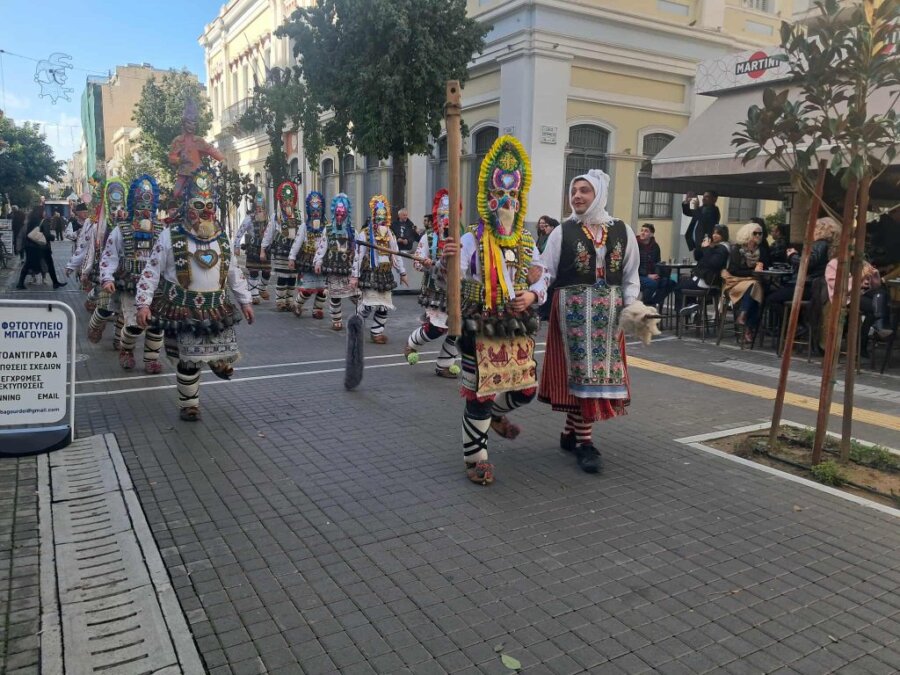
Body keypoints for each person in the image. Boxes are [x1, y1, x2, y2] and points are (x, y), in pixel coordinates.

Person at [439, 136, 546, 485]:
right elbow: (449, 279)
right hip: (479, 325)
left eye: (512, 198)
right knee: (481, 392)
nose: (506, 203)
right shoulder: (470, 239)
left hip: (516, 326)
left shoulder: (528, 242)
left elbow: (541, 277)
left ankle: (497, 417)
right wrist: (447, 259)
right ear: (487, 199)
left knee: (525, 389)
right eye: (500, 197)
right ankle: (477, 456)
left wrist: (531, 295)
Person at [539, 169, 640, 474]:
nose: (577, 196)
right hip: (572, 314)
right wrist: (532, 294)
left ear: (598, 195)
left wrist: (632, 307)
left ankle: (572, 433)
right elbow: (546, 272)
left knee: (597, 375)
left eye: (585, 191)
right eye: (574, 191)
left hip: (609, 316)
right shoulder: (562, 231)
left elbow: (630, 275)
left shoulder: (622, 230)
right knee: (582, 373)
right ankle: (585, 442)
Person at [135, 167, 253, 421]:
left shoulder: (221, 239)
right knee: (187, 359)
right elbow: (151, 271)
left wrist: (245, 301)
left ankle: (216, 361)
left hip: (215, 307)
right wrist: (144, 304)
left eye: (210, 204)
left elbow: (233, 271)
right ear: (187, 205)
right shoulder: (170, 236)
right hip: (182, 307)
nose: (206, 211)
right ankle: (190, 404)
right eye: (199, 204)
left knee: (216, 348)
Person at [99, 175, 166, 373]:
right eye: (140, 204)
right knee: (135, 323)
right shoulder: (122, 229)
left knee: (156, 324)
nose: (144, 210)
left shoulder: (162, 229)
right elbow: (109, 255)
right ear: (132, 204)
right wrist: (107, 277)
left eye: (149, 204)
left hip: (156, 286)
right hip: (130, 285)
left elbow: (169, 257)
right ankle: (126, 349)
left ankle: (151, 359)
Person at [404, 188, 460, 378]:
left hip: (458, 291)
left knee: (457, 328)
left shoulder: (463, 237)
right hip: (435, 290)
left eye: (450, 215)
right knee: (437, 328)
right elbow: (416, 262)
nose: (446, 220)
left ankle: (444, 364)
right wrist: (425, 262)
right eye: (442, 215)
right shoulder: (428, 237)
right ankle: (412, 343)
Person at [350, 195, 407, 343]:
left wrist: (402, 272)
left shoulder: (390, 234)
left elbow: (396, 253)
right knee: (369, 304)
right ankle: (356, 327)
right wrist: (354, 276)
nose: (381, 219)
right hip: (371, 273)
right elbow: (358, 255)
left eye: (383, 216)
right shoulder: (365, 233)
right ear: (374, 216)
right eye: (378, 216)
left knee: (384, 305)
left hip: (386, 274)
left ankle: (377, 333)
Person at [83, 178, 129, 351]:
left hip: (126, 275)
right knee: (104, 307)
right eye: (114, 207)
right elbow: (90, 250)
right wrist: (85, 270)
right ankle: (95, 325)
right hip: (105, 273)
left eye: (122, 208)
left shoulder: (129, 227)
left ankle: (119, 340)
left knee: (123, 311)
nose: (119, 212)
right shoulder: (98, 227)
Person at [766, 216, 840, 322]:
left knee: (771, 299)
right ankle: (796, 326)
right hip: (813, 286)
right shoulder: (828, 245)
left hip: (808, 286)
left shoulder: (820, 244)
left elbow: (809, 263)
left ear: (820, 230)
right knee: (777, 295)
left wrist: (792, 256)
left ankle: (794, 327)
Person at [824, 257, 892, 358]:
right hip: (845, 297)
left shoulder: (861, 261)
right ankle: (871, 334)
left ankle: (877, 325)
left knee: (882, 294)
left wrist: (873, 274)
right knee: (874, 308)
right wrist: (860, 276)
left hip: (862, 293)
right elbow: (839, 287)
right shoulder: (834, 264)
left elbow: (875, 285)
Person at [313, 193, 357, 331]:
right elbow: (322, 246)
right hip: (333, 268)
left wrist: (357, 268)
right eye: (337, 213)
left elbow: (357, 251)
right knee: (335, 295)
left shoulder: (352, 231)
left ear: (346, 214)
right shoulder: (328, 229)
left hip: (348, 268)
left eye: (342, 214)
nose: (339, 216)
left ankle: (358, 317)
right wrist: (318, 261)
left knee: (356, 295)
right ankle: (336, 320)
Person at [167, 99, 225, 198]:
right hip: (183, 173)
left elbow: (211, 149)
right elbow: (171, 157)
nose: (192, 126)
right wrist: (179, 160)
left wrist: (222, 159)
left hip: (198, 174)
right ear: (184, 123)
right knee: (176, 193)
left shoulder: (199, 140)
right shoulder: (178, 141)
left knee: (207, 194)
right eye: (189, 123)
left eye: (194, 123)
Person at [722, 222, 766, 345]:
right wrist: (753, 271)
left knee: (755, 292)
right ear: (747, 234)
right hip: (736, 282)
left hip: (754, 282)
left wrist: (762, 266)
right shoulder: (737, 249)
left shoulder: (761, 250)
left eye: (760, 233)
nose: (758, 235)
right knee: (755, 289)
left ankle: (744, 318)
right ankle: (747, 327)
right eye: (755, 233)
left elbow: (768, 265)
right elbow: (733, 270)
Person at [260, 181, 301, 312]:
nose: (287, 203)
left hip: (294, 252)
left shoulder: (299, 215)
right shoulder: (276, 216)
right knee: (283, 276)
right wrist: (262, 249)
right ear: (280, 201)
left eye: (289, 200)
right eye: (284, 200)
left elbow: (302, 232)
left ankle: (289, 301)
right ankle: (280, 301)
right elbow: (268, 233)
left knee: (292, 278)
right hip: (281, 251)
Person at [674, 224, 730, 312]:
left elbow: (713, 263)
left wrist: (707, 248)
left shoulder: (722, 248)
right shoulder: (715, 247)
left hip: (709, 282)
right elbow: (698, 257)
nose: (715, 235)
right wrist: (701, 247)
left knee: (678, 287)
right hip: (704, 279)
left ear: (724, 235)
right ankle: (692, 307)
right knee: (683, 282)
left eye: (718, 233)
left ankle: (685, 312)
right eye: (714, 233)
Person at [289, 191, 328, 319]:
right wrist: (292, 257)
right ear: (309, 210)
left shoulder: (327, 226)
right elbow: (297, 242)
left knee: (323, 288)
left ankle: (317, 309)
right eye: (313, 209)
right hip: (307, 260)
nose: (316, 212)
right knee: (307, 288)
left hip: (323, 260)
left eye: (318, 209)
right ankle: (297, 304)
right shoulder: (304, 227)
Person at [231, 188, 271, 304]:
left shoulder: (269, 218)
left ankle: (262, 289)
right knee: (253, 272)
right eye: (257, 207)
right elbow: (240, 232)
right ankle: (254, 295)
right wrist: (236, 246)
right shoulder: (249, 219)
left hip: (266, 249)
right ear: (254, 207)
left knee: (267, 272)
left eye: (261, 207)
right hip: (253, 249)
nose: (259, 209)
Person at [16, 207, 62, 289]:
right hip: (42, 247)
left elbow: (27, 234)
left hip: (30, 246)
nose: (45, 213)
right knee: (50, 264)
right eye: (44, 211)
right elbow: (47, 235)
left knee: (27, 264)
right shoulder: (44, 221)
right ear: (41, 212)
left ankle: (20, 283)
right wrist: (53, 237)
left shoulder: (30, 222)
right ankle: (55, 282)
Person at [636, 223, 673, 308]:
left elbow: (657, 263)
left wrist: (657, 275)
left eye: (646, 231)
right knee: (652, 284)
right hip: (638, 276)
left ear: (651, 234)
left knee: (670, 283)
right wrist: (647, 275)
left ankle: (652, 302)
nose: (642, 233)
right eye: (642, 230)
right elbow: (633, 265)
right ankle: (645, 303)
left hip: (652, 276)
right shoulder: (635, 245)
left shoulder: (655, 246)